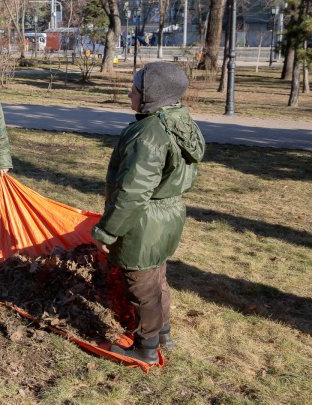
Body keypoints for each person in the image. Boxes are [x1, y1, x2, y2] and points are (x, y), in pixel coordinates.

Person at [91, 62, 205, 364]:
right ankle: (163, 332)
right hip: (168, 214)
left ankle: (147, 346)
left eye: (136, 88)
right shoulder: (177, 120)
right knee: (157, 276)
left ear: (152, 95)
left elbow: (133, 191)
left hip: (144, 220)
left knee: (141, 285)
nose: (131, 93)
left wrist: (108, 230)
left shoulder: (150, 134)